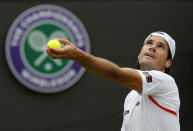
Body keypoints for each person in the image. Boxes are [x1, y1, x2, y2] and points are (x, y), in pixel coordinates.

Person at [46, 31, 180, 131]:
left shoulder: (166, 82)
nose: (152, 47)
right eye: (149, 43)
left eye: (160, 46)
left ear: (168, 62)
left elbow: (116, 74)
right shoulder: (131, 97)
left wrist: (78, 56)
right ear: (140, 54)